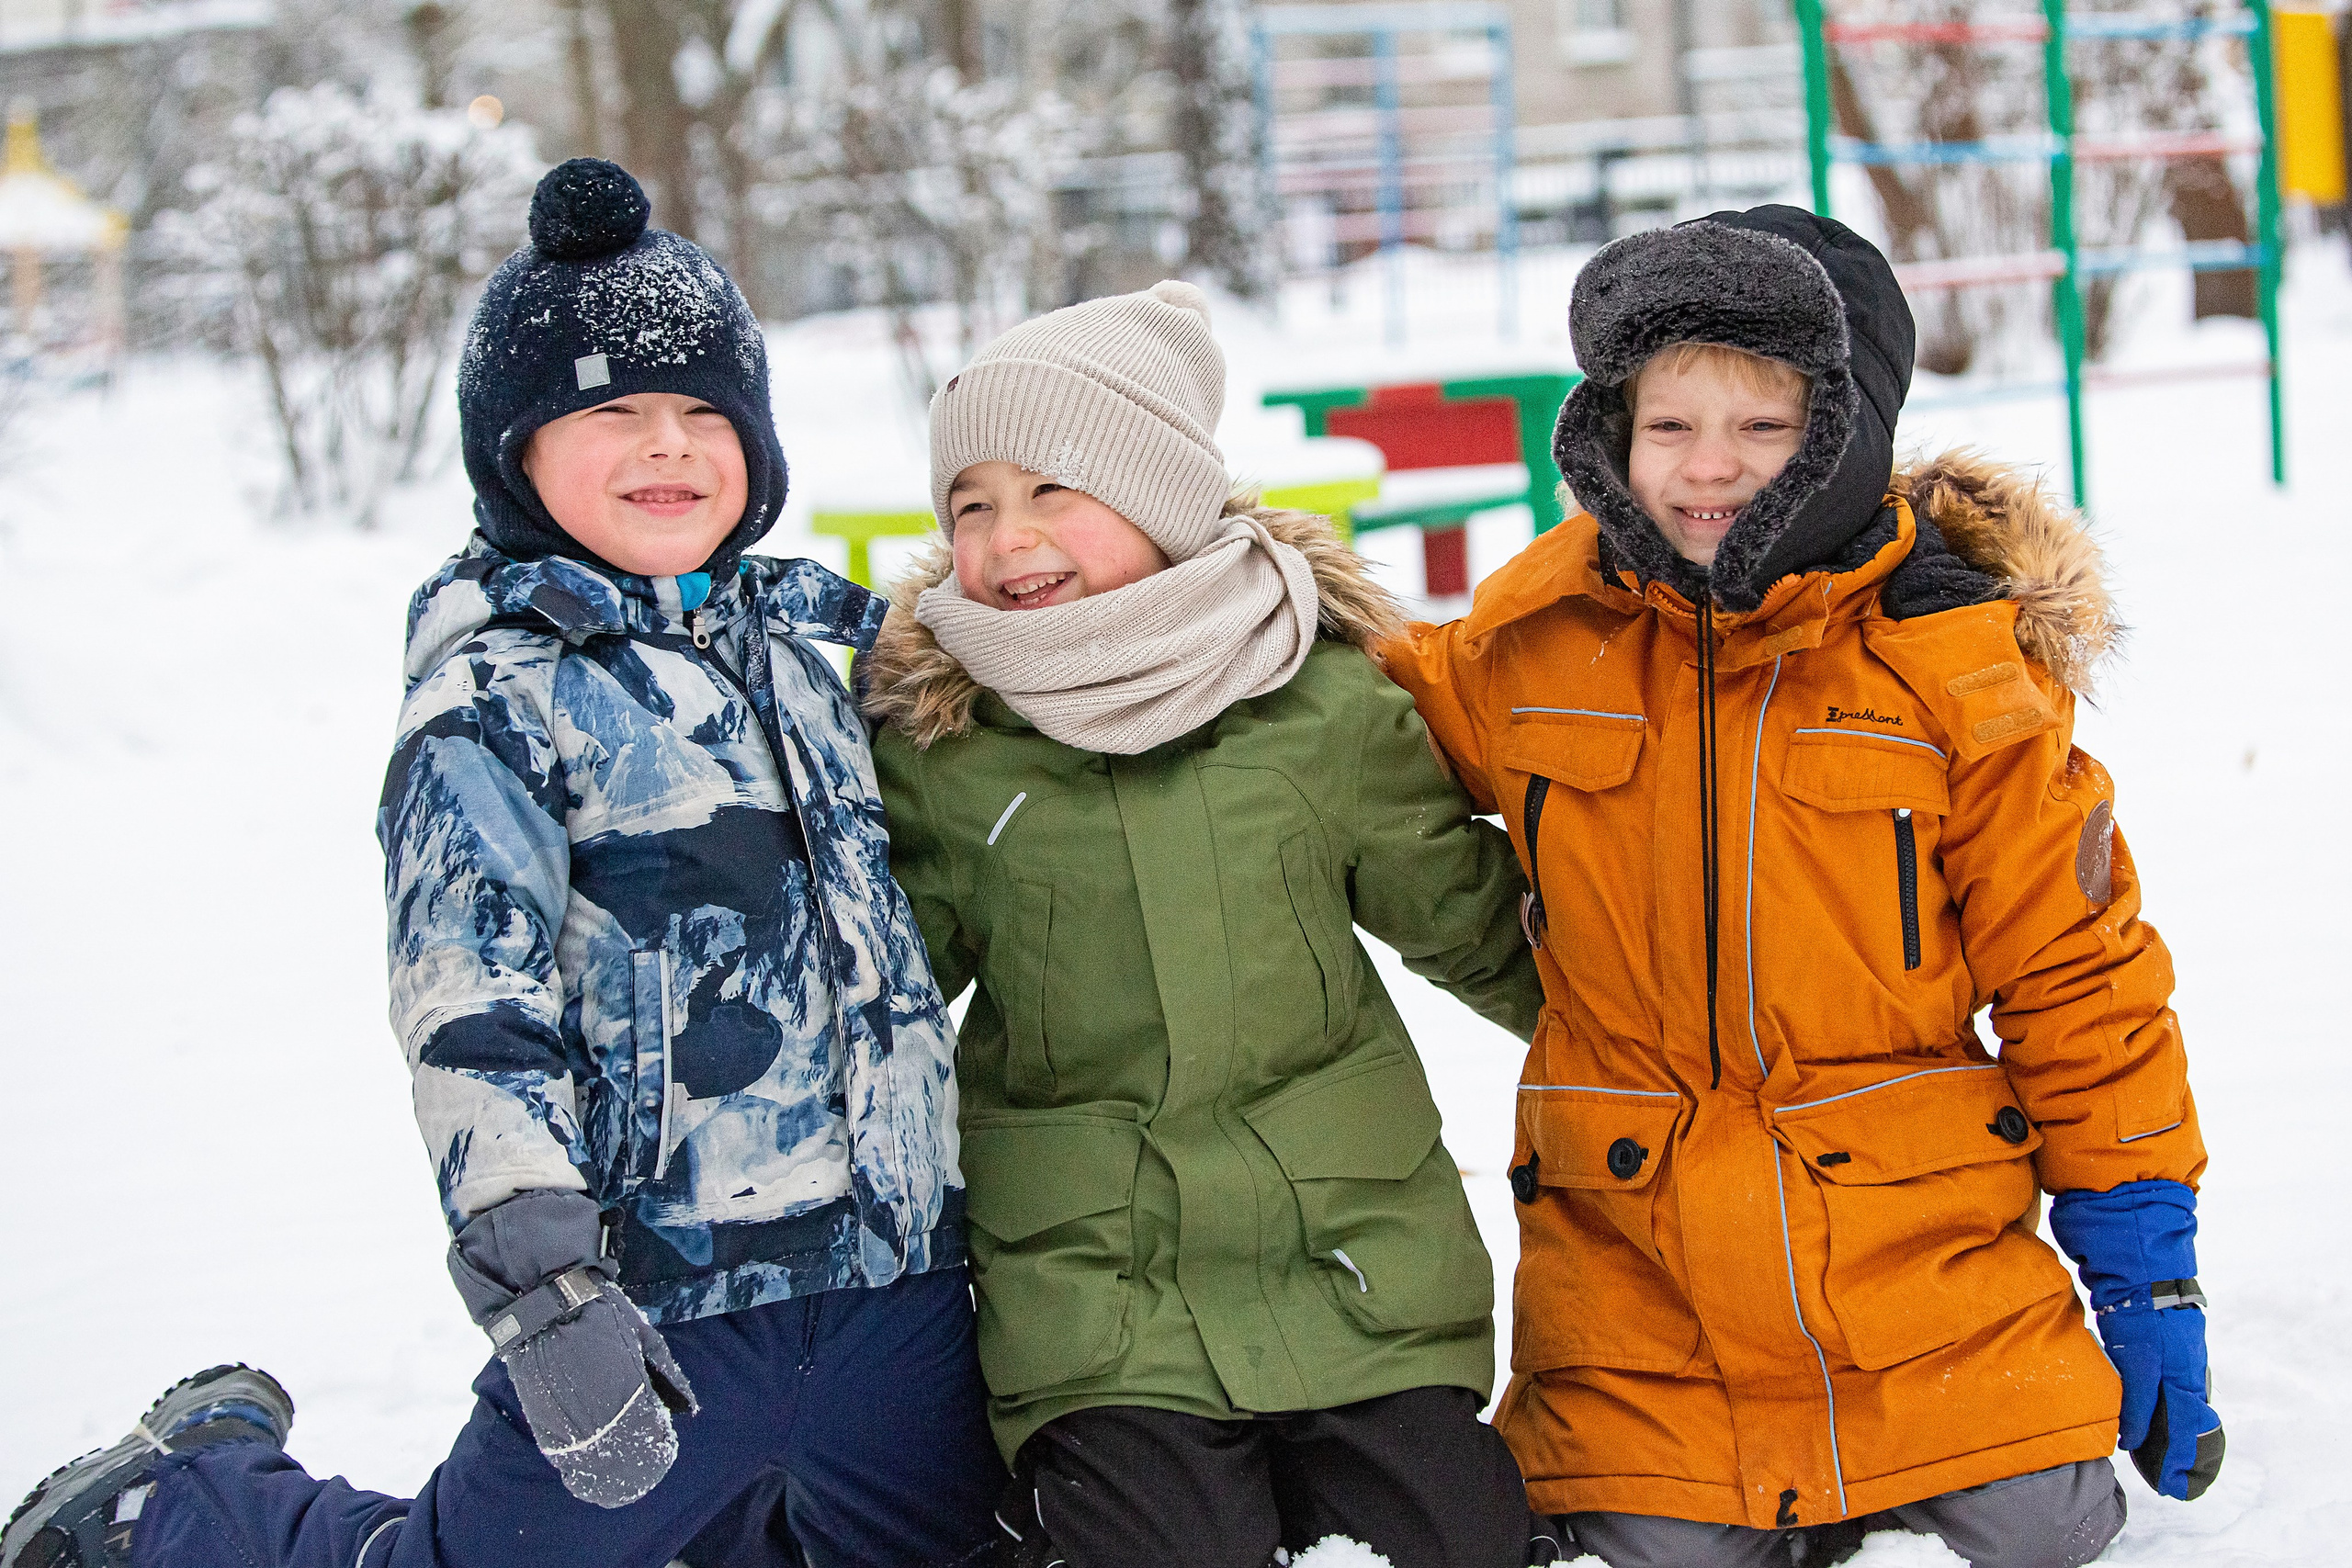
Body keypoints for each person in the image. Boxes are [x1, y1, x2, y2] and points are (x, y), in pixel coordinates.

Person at [2, 160, 1003, 1568]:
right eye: (612, 413)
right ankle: (183, 1504)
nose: (668, 446)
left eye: (704, 414)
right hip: (657, 1290)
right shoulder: (493, 702)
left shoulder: (818, 656)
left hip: (897, 1274)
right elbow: (471, 1005)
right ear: (515, 453)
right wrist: (546, 1291)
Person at [1377, 206, 2220, 1568]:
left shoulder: (1954, 675)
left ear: (1843, 434)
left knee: (2044, 1535)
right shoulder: (1534, 643)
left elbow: (2080, 973)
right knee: (1664, 1554)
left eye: (1763, 430)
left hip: (1920, 1260)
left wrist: (2143, 1252)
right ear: (1609, 431)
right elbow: (1350, 722)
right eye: (1669, 428)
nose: (1709, 470)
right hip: (1640, 1281)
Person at [857, 280, 1553, 1568]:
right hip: (1098, 1292)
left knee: (1457, 1546)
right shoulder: (948, 754)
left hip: (1354, 1258)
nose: (1011, 540)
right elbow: (874, 1001)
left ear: (1164, 501)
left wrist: (1672, 1038)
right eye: (972, 505)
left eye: (1054, 489)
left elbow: (1470, 920)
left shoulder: (1319, 707)